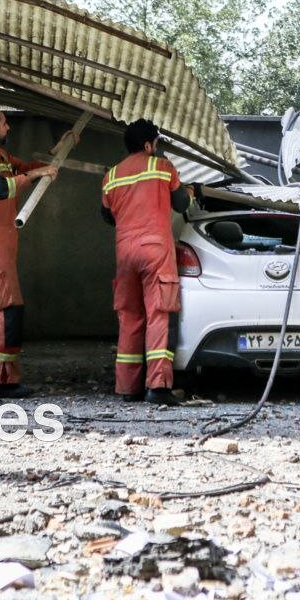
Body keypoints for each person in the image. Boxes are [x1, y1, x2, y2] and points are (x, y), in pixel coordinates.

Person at [0, 108, 75, 397]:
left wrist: (58, 152)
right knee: (7, 311)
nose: (8, 127)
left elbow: (27, 168)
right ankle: (1, 382)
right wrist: (36, 173)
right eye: (4, 124)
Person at [100, 119, 193, 405]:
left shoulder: (111, 176)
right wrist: (190, 193)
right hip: (155, 251)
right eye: (156, 143)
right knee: (159, 315)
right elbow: (180, 204)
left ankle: (128, 388)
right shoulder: (161, 167)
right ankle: (158, 387)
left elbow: (106, 216)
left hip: (125, 252)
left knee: (130, 318)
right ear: (148, 144)